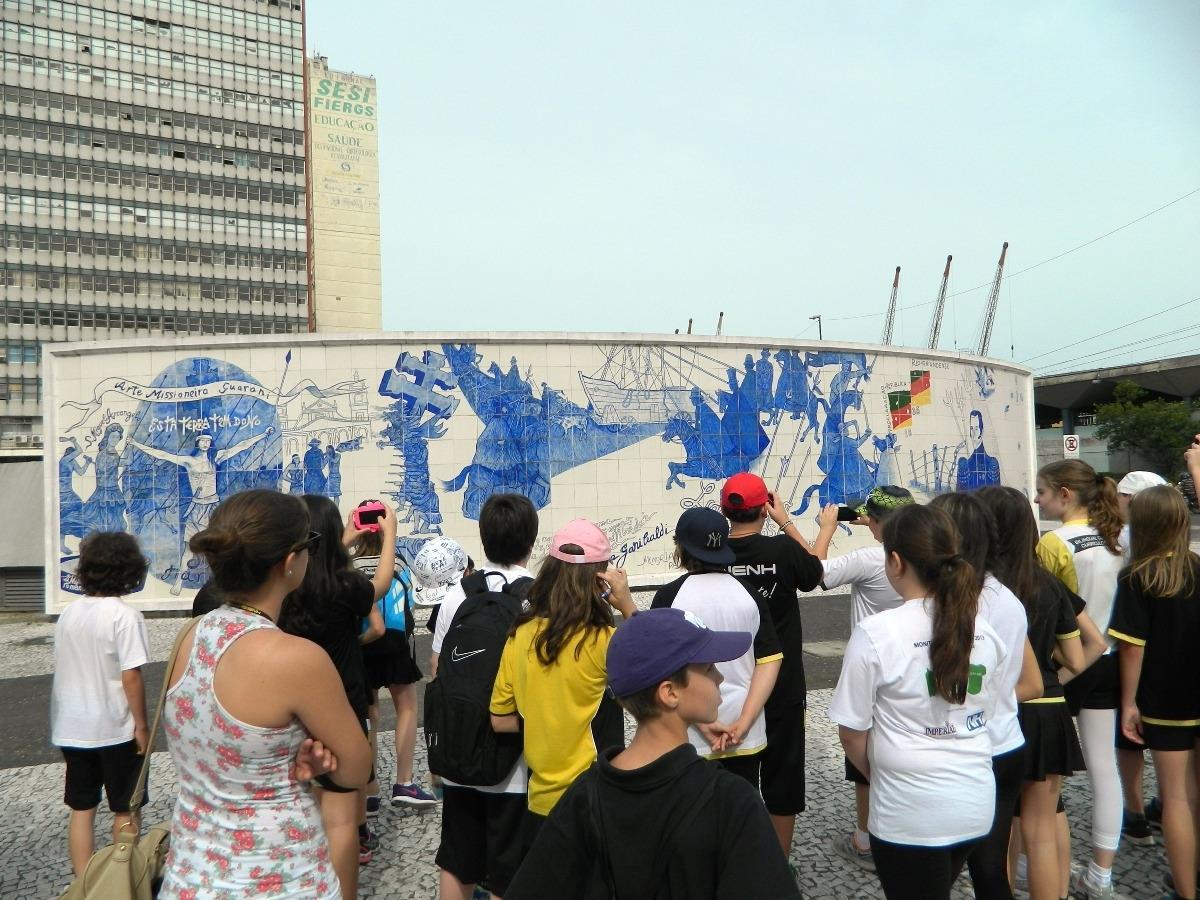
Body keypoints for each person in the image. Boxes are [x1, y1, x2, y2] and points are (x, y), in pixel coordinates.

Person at [158, 488, 372, 898]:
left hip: (190, 875)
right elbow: (354, 770)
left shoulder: (189, 636)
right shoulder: (296, 658)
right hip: (279, 877)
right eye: (310, 544)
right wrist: (316, 762)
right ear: (290, 562)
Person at [505, 607, 800, 899]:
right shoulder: (731, 802)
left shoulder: (582, 797)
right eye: (709, 668)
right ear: (669, 693)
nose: (720, 678)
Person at [829, 504, 1007, 900]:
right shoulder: (982, 628)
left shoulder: (876, 632)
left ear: (895, 561)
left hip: (908, 813)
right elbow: (988, 712)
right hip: (975, 803)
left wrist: (881, 773)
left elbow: (851, 732)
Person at [489, 518, 636, 849]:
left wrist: (546, 718)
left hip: (539, 802)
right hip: (595, 796)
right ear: (600, 580)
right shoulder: (603, 641)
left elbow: (499, 720)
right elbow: (656, 664)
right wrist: (627, 604)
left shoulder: (520, 635)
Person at [927, 491, 1042, 900]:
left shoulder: (949, 602)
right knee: (990, 870)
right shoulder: (1006, 598)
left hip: (961, 748)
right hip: (1003, 742)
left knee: (936, 871)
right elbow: (1026, 680)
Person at [977, 485, 1090, 900]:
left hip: (1002, 711)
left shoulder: (985, 589)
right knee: (1042, 831)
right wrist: (1048, 671)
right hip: (1049, 710)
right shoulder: (1047, 583)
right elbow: (1077, 657)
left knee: (1001, 833)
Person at [278, 495, 395, 895]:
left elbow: (313, 561)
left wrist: (339, 540)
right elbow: (380, 585)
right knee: (345, 787)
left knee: (307, 778)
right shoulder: (344, 585)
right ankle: (355, 842)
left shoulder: (286, 587)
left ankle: (309, 849)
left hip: (295, 696)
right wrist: (389, 534)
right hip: (344, 693)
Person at [432, 493, 539, 900]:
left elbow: (439, 669)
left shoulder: (458, 595)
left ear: (482, 538)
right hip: (512, 761)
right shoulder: (538, 598)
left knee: (456, 861)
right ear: (531, 541)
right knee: (507, 874)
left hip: (459, 748)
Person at [1034, 459, 1127, 899]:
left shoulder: (1053, 542)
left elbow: (1040, 607)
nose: (1037, 500)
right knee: (1104, 767)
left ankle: (1033, 862)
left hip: (1065, 663)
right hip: (1108, 659)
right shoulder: (1117, 537)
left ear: (1064, 495)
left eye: (1042, 492)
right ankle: (1101, 876)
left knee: (1045, 769)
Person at [811, 485, 914, 870]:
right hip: (915, 663)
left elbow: (816, 573)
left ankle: (866, 839)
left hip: (872, 668)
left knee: (865, 747)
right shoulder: (928, 554)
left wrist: (827, 528)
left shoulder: (871, 559)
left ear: (877, 521)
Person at [720, 472, 823, 855]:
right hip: (783, 683)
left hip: (730, 683)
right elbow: (814, 573)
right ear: (765, 507)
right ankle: (778, 863)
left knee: (733, 777)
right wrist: (786, 523)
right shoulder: (782, 549)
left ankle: (736, 857)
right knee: (783, 774)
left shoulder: (714, 556)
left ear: (724, 510)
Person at [1110, 485, 1200, 900]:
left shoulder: (1137, 576)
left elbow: (1132, 648)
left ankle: (1185, 890)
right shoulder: (1197, 567)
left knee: (1176, 797)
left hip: (1165, 699)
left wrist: (1129, 703)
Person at [650, 507, 782, 790]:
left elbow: (661, 667)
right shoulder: (750, 595)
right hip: (744, 733)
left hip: (687, 734)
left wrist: (702, 724)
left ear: (680, 548)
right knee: (741, 809)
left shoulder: (669, 597)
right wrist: (744, 722)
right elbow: (770, 660)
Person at [51, 531, 151, 877]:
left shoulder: (69, 613)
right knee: (125, 807)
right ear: (130, 569)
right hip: (115, 726)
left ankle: (84, 883)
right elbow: (131, 677)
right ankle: (122, 880)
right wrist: (142, 725)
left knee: (82, 808)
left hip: (72, 726)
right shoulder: (125, 616)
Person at [348, 506, 435, 812]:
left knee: (369, 715)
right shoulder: (397, 562)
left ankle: (370, 790)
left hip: (363, 643)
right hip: (395, 642)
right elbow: (409, 602)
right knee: (407, 707)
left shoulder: (350, 566)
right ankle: (404, 782)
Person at [1112, 470, 1168, 844]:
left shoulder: (1123, 540)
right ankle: (1164, 804)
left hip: (1131, 650)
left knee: (1129, 738)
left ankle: (1135, 815)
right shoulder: (1185, 561)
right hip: (1173, 661)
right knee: (1170, 743)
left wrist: (1129, 699)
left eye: (1121, 496)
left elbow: (1132, 645)